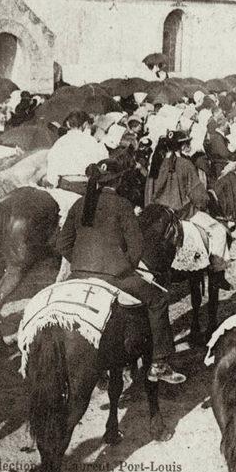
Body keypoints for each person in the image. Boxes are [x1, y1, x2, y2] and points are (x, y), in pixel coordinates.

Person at [56, 159, 185, 384]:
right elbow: (137, 247)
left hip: (77, 273)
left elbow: (63, 244)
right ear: (118, 180)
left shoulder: (80, 204)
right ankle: (159, 363)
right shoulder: (123, 204)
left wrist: (80, 262)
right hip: (114, 275)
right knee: (158, 299)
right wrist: (124, 265)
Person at [144, 132, 231, 280]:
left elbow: (148, 192)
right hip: (182, 214)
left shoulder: (156, 163)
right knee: (219, 232)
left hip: (157, 213)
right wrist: (205, 202)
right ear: (183, 146)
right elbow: (199, 197)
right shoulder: (186, 164)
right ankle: (216, 271)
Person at [45, 111, 110, 193]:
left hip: (64, 187)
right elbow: (104, 165)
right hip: (86, 188)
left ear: (68, 124)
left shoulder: (59, 142)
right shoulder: (93, 142)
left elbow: (51, 172)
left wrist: (56, 183)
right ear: (85, 124)